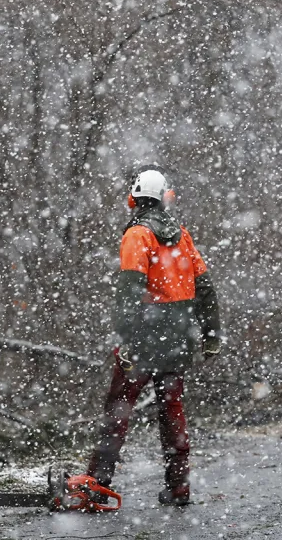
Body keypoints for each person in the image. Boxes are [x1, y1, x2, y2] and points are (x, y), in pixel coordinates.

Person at [84, 168, 221, 507]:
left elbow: (129, 292)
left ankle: (98, 482)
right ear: (163, 198)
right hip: (179, 339)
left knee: (118, 408)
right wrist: (211, 334)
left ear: (134, 198)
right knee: (171, 410)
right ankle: (179, 487)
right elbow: (205, 288)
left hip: (146, 339)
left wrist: (127, 338)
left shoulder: (138, 236)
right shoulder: (183, 235)